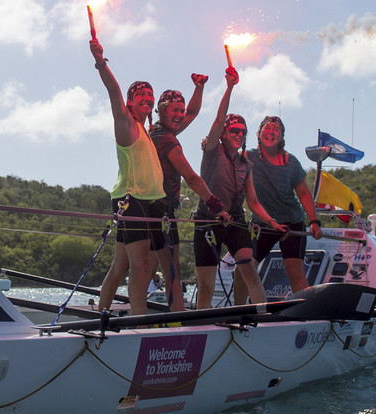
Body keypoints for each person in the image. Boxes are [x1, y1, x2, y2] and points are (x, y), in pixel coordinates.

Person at [192, 67, 286, 309]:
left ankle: (260, 318)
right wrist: (230, 87)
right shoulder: (212, 151)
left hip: (235, 222)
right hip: (208, 222)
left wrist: (271, 222)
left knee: (249, 271)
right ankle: (202, 329)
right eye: (234, 131)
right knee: (206, 287)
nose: (240, 135)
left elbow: (252, 202)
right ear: (224, 133)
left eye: (243, 133)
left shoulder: (246, 164)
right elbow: (217, 119)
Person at [90, 39, 163, 316]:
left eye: (150, 95)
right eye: (140, 94)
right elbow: (113, 90)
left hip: (145, 202)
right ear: (130, 101)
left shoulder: (146, 132)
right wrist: (100, 62)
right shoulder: (126, 124)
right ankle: (139, 323)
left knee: (120, 266)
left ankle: (101, 314)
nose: (147, 97)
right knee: (141, 265)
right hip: (132, 201)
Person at [148, 81, 232, 312]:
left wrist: (200, 87)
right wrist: (216, 206)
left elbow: (193, 112)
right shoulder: (167, 139)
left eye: (181, 110)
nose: (180, 115)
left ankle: (142, 314)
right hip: (161, 211)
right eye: (174, 110)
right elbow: (192, 178)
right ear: (161, 110)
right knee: (172, 271)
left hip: (153, 208)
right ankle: (177, 321)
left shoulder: (158, 130)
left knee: (142, 268)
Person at [243, 115, 323, 297]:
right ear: (259, 134)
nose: (271, 133)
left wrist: (314, 221)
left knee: (294, 271)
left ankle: (308, 311)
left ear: (281, 137)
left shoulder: (291, 162)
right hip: (263, 222)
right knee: (246, 267)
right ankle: (247, 309)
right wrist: (208, 144)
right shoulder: (248, 157)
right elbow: (227, 155)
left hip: (291, 220)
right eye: (267, 129)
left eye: (276, 131)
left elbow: (303, 192)